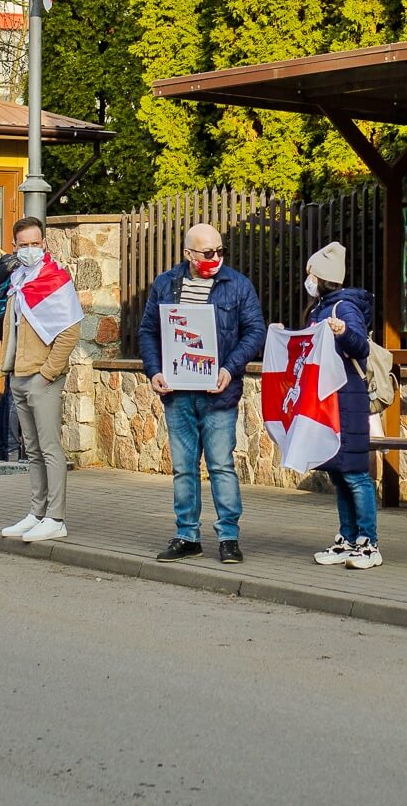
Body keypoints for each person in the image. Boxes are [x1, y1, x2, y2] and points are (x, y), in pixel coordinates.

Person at [139, 223, 264, 564]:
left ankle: (228, 537)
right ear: (188, 254)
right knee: (183, 468)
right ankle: (187, 535)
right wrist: (155, 370)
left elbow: (255, 332)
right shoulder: (166, 285)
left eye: (220, 251)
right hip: (178, 393)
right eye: (208, 253)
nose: (216, 258)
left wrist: (230, 368)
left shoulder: (237, 285)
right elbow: (148, 331)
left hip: (218, 393)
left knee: (222, 465)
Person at [0, 218, 82, 544]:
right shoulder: (18, 278)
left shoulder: (55, 280)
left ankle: (55, 517)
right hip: (18, 373)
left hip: (41, 376)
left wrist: (47, 372)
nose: (30, 249)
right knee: (31, 449)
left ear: (44, 244)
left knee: (49, 448)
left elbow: (69, 331)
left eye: (36, 243)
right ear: (15, 247)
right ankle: (37, 512)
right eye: (24, 244)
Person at [300, 242, 383, 570]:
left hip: (347, 398)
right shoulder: (321, 307)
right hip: (329, 400)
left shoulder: (343, 308)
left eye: (311, 273)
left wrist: (344, 331)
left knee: (355, 475)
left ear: (320, 277)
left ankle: (368, 543)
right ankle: (348, 539)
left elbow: (360, 347)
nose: (307, 278)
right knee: (338, 472)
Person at [0, 252, 28, 466]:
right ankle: (12, 451)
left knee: (8, 395)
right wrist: (14, 262)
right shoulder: (16, 265)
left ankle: (2, 449)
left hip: (12, 334)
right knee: (13, 395)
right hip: (16, 336)